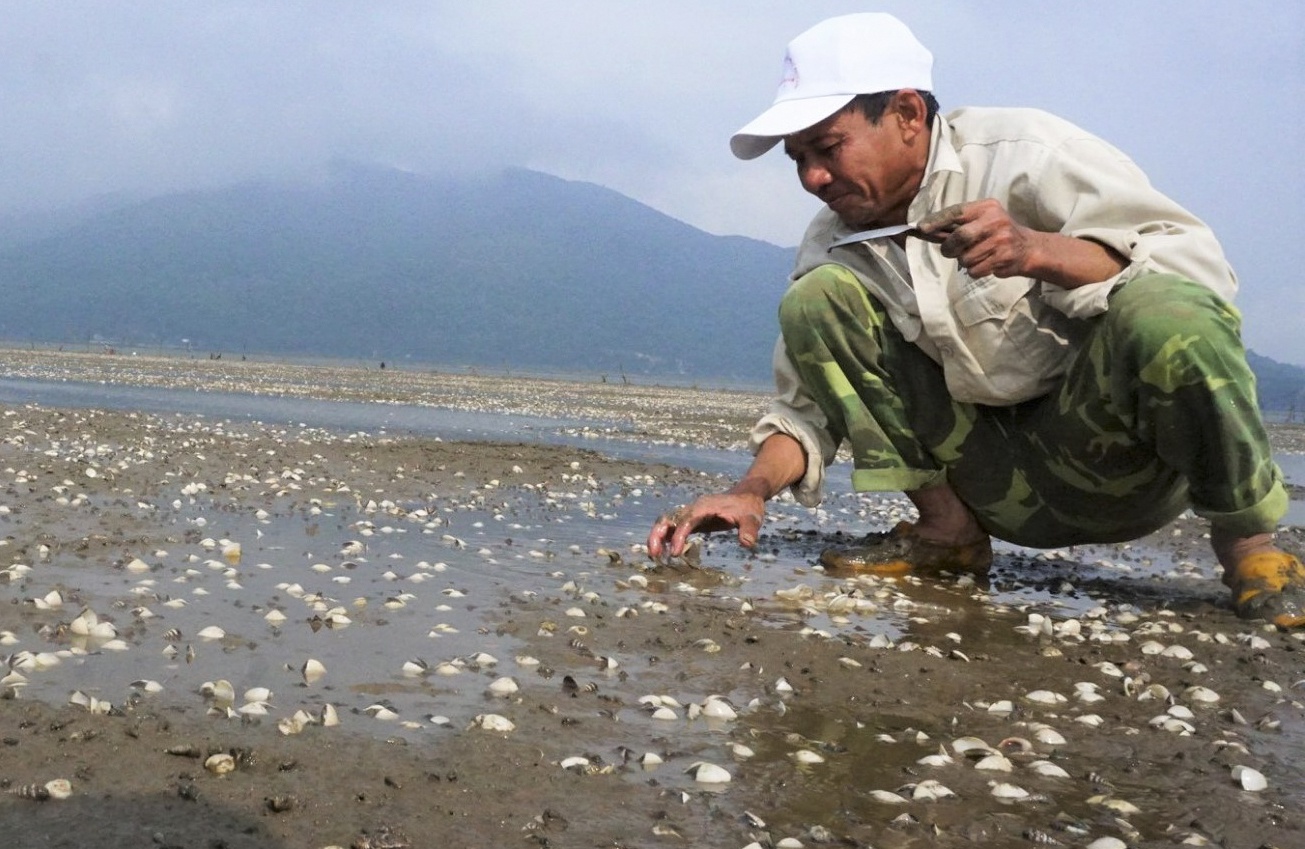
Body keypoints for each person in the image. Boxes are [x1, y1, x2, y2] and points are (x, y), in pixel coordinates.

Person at [646, 12, 1305, 627]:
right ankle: (948, 537)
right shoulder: (831, 245)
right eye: (797, 159)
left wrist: (1037, 250)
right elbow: (807, 413)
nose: (812, 177)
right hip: (992, 484)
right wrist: (749, 491)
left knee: (1167, 310)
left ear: (906, 113)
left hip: (1120, 468)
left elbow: (1198, 281)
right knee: (814, 301)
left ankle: (1247, 543)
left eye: (827, 147)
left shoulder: (1027, 154)